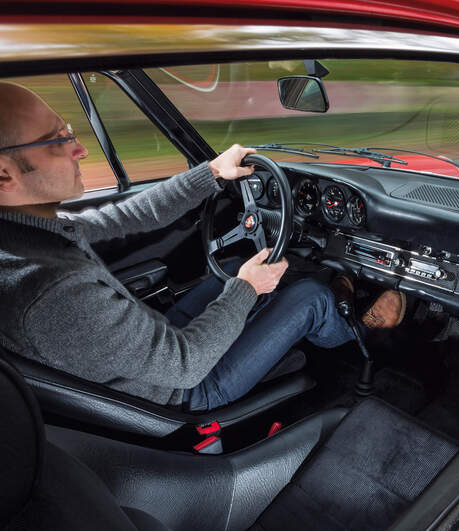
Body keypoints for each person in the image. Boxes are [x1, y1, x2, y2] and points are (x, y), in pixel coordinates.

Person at [0, 81, 405, 411]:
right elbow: (186, 365)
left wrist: (211, 172)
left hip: (154, 346)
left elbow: (125, 217)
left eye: (68, 131)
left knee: (235, 264)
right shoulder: (50, 292)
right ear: (5, 175)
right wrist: (247, 289)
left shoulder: (29, 236)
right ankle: (359, 335)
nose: (80, 149)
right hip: (184, 392)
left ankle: (332, 308)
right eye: (56, 141)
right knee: (310, 296)